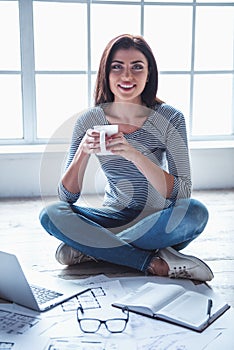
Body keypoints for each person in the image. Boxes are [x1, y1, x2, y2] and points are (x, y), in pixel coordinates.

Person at [39, 34, 213, 282]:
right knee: (51, 214)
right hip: (113, 217)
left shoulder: (171, 118)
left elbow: (182, 192)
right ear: (106, 74)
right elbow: (67, 198)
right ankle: (149, 261)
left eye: (137, 67)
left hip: (157, 220)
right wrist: (82, 153)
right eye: (117, 67)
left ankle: (95, 248)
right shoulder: (90, 120)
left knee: (196, 212)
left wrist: (134, 154)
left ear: (149, 73)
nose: (127, 76)